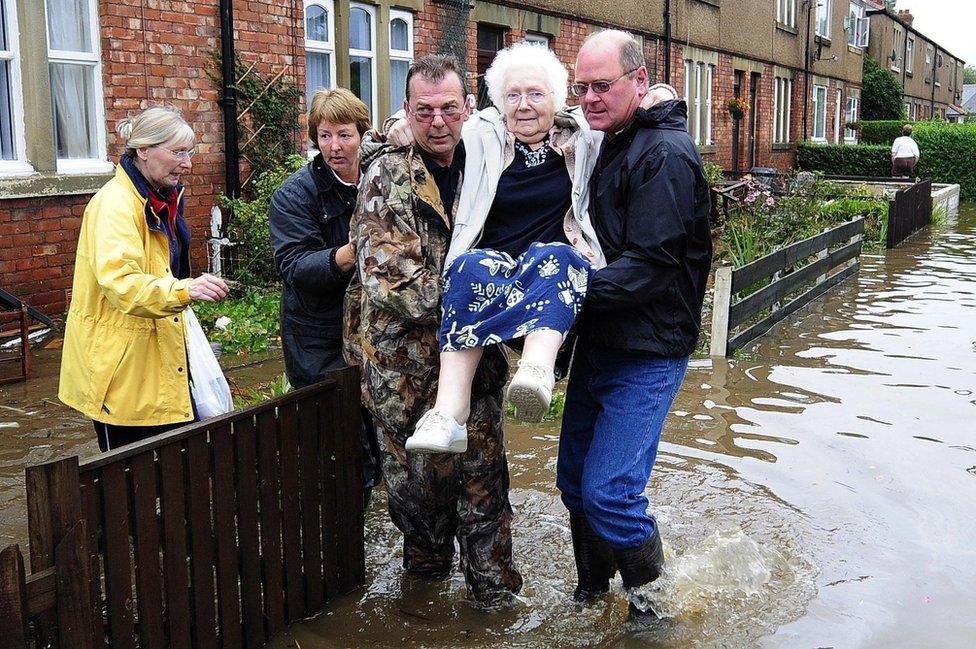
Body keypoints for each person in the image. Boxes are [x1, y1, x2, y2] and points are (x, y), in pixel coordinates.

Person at [343, 54, 522, 605]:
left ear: (469, 108)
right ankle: (423, 604)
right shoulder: (386, 176)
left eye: (449, 108)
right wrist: (483, 297)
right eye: (424, 111)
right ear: (406, 111)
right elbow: (391, 281)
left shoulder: (489, 163)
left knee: (485, 486)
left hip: (475, 367)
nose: (438, 121)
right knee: (418, 496)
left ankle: (495, 601)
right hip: (403, 372)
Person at [556, 30, 712, 613]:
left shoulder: (665, 155)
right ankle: (591, 596)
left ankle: (654, 614)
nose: (590, 98)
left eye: (603, 86)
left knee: (611, 493)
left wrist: (562, 294)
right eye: (583, 87)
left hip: (648, 350)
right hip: (603, 341)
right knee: (575, 483)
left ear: (639, 82)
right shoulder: (614, 140)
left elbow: (647, 268)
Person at [399, 41, 605, 454]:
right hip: (495, 271)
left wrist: (661, 98)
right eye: (513, 95)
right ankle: (449, 413)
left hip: (551, 273)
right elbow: (434, 118)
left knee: (558, 255)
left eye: (535, 93)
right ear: (499, 101)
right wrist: (390, 127)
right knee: (466, 266)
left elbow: (629, 113)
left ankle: (536, 371)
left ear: (557, 98)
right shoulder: (482, 134)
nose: (524, 105)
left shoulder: (584, 138)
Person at [59, 107, 229, 452]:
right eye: (178, 152)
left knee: (176, 469)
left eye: (190, 152)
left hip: (159, 360)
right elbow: (123, 284)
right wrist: (186, 289)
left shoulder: (161, 199)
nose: (188, 163)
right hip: (121, 373)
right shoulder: (116, 206)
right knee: (129, 480)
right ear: (144, 150)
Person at [269, 87, 382, 495]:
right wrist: (353, 251)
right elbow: (295, 267)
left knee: (381, 432)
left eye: (345, 135)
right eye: (325, 136)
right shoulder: (295, 196)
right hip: (318, 335)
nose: (335, 146)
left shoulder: (380, 176)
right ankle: (339, 535)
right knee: (342, 442)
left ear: (362, 134)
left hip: (373, 328)